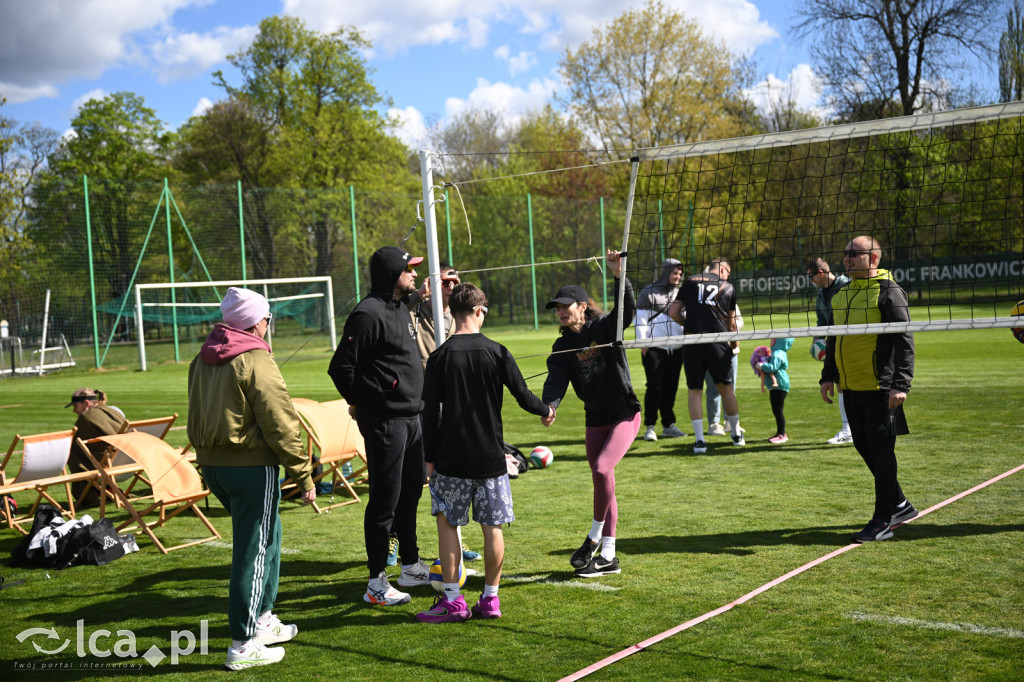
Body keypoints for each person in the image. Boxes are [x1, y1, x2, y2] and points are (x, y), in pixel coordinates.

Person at [187, 287, 316, 670]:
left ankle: (263, 620)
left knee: (268, 536)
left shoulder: (202, 357)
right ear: (257, 322)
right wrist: (304, 476)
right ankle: (243, 644)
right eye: (268, 318)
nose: (269, 324)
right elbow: (282, 422)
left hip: (214, 466)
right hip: (248, 468)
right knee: (252, 551)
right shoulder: (255, 358)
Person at [416, 283, 553, 622]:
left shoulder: (439, 356)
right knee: (492, 527)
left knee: (447, 526)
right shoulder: (497, 351)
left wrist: (428, 458)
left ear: (453, 311)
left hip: (450, 460)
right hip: (490, 458)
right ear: (479, 311)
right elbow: (525, 397)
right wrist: (545, 409)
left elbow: (429, 414)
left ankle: (453, 601)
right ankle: (490, 599)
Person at [329, 246, 432, 606]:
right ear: (392, 273)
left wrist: (424, 295)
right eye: (410, 269)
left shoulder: (400, 308)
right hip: (387, 422)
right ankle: (376, 583)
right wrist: (362, 402)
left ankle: (411, 565)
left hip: (412, 419)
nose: (415, 274)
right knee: (384, 502)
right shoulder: (367, 314)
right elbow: (341, 368)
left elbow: (407, 306)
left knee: (410, 494)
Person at [542, 251, 641, 578]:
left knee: (602, 468)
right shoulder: (561, 347)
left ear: (582, 306)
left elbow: (626, 312)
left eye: (564, 306)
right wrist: (551, 405)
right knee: (602, 481)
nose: (559, 311)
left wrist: (619, 275)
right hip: (595, 417)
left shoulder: (604, 327)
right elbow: (555, 381)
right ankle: (608, 557)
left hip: (624, 413)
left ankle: (597, 539)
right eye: (556, 307)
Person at [820, 236, 917, 543]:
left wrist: (900, 385)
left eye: (854, 254)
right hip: (851, 387)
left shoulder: (889, 292)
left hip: (880, 387)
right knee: (863, 446)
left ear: (873, 258)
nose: (847, 258)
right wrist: (828, 376)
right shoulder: (843, 293)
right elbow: (834, 338)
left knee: (882, 451)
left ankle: (882, 521)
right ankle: (900, 503)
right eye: (846, 253)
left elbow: (904, 340)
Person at [403, 263, 482, 565]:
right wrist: (419, 295)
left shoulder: (463, 319)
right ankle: (399, 540)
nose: (448, 286)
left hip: (453, 410)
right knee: (411, 482)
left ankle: (456, 542)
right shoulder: (413, 311)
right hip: (419, 406)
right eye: (442, 282)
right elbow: (394, 311)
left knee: (454, 480)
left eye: (454, 281)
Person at [668, 257, 745, 454]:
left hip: (693, 342)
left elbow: (674, 312)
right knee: (726, 389)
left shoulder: (690, 282)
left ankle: (700, 441)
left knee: (695, 391)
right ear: (723, 270)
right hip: (717, 342)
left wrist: (688, 324)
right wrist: (734, 344)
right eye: (728, 271)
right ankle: (736, 434)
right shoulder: (728, 287)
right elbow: (732, 325)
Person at [635, 258, 686, 441]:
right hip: (655, 349)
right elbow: (640, 321)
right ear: (666, 272)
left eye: (680, 273)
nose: (677, 276)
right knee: (655, 387)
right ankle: (650, 426)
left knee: (671, 388)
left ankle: (668, 425)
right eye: (674, 272)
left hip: (677, 350)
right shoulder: (648, 293)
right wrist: (643, 346)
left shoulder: (681, 293)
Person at [808, 257, 853, 444]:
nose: (810, 280)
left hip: (852, 342)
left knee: (852, 384)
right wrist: (817, 341)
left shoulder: (846, 286)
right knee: (840, 384)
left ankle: (851, 429)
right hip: (836, 345)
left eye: (811, 276)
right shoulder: (820, 295)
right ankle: (848, 429)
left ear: (820, 273)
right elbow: (821, 322)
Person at [66, 388, 127, 508]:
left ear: (86, 403)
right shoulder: (113, 411)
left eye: (75, 406)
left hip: (109, 470)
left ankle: (88, 495)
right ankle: (107, 489)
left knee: (74, 452)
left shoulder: (86, 418)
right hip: (129, 465)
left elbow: (75, 447)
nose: (74, 410)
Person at [704, 303, 744, 437]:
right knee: (713, 388)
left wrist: (728, 327)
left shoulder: (729, 297)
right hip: (711, 350)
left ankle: (730, 421)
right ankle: (714, 423)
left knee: (731, 387)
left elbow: (739, 321)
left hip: (730, 349)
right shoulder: (702, 299)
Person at [757, 338, 794, 444]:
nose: (771, 340)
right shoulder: (778, 352)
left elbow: (773, 367)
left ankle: (782, 434)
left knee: (778, 411)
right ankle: (780, 433)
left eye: (774, 339)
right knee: (777, 410)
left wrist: (761, 365)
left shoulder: (778, 353)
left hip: (779, 385)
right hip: (777, 385)